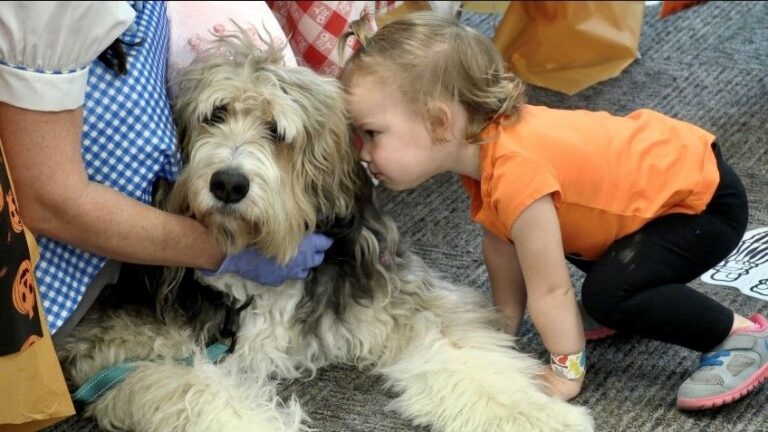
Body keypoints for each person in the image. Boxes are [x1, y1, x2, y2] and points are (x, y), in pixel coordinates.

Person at [338, 11, 767, 409]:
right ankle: (632, 293)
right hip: (660, 196)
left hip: (702, 205)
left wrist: (566, 371)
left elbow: (551, 288)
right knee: (578, 265)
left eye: (372, 133)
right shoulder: (485, 151)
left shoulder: (517, 171)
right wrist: (503, 327)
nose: (363, 152)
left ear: (439, 122)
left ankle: (739, 336)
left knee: (608, 294)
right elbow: (502, 246)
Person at [0, 2, 332, 341]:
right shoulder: (46, 13)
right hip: (45, 291)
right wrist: (221, 253)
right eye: (216, 117)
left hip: (139, 250)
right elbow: (48, 201)